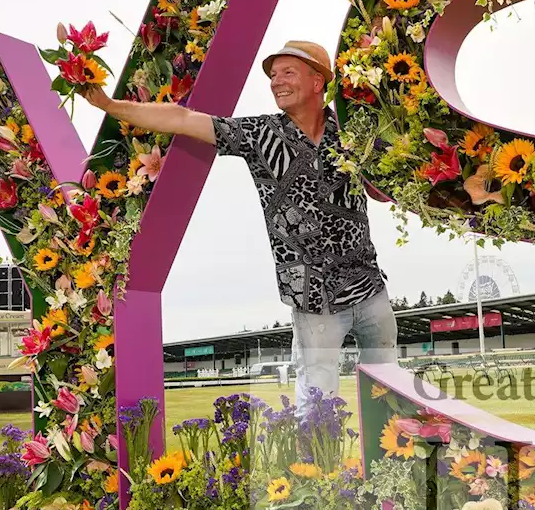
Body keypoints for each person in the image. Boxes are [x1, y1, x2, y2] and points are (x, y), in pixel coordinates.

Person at [82, 40, 398, 405]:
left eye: (288, 72)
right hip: (313, 298)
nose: (276, 81)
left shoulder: (352, 132)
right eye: (273, 74)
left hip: (370, 286)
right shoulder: (261, 135)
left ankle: (392, 460)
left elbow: (386, 182)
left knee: (390, 395)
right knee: (317, 406)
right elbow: (182, 120)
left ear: (317, 82)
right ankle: (316, 462)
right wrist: (109, 106)